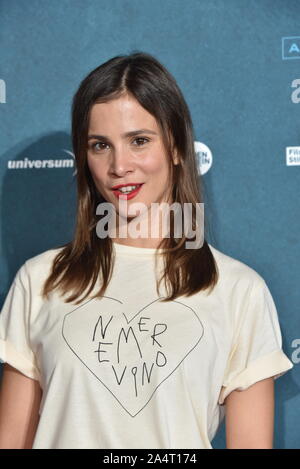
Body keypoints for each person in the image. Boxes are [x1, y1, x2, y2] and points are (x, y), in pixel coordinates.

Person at [0, 51, 294, 449]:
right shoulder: (40, 280)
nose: (119, 165)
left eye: (139, 141)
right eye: (100, 145)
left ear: (175, 147)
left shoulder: (239, 291)